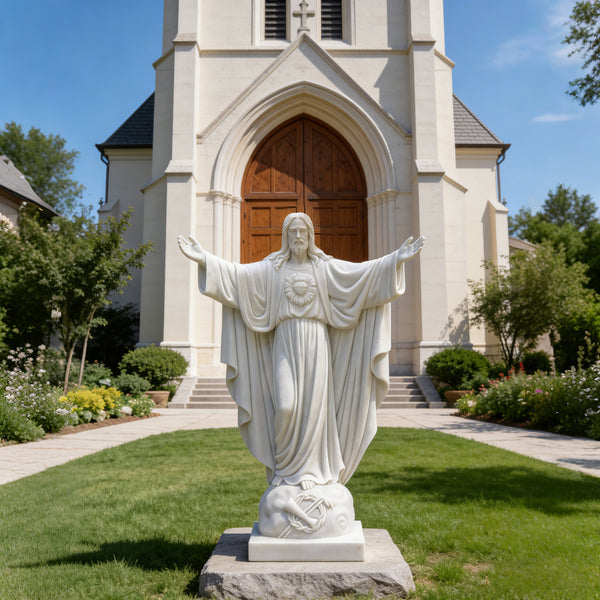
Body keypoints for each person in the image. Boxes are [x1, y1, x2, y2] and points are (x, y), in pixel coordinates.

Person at [178, 213, 424, 491]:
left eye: (303, 232)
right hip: (285, 341)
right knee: (286, 405)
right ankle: (284, 469)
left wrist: (395, 260)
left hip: (316, 342)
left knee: (315, 408)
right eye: (293, 232)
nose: (298, 237)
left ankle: (312, 471)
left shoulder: (323, 268)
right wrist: (205, 260)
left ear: (310, 237)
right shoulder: (273, 268)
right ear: (285, 236)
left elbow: (360, 275)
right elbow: (237, 276)